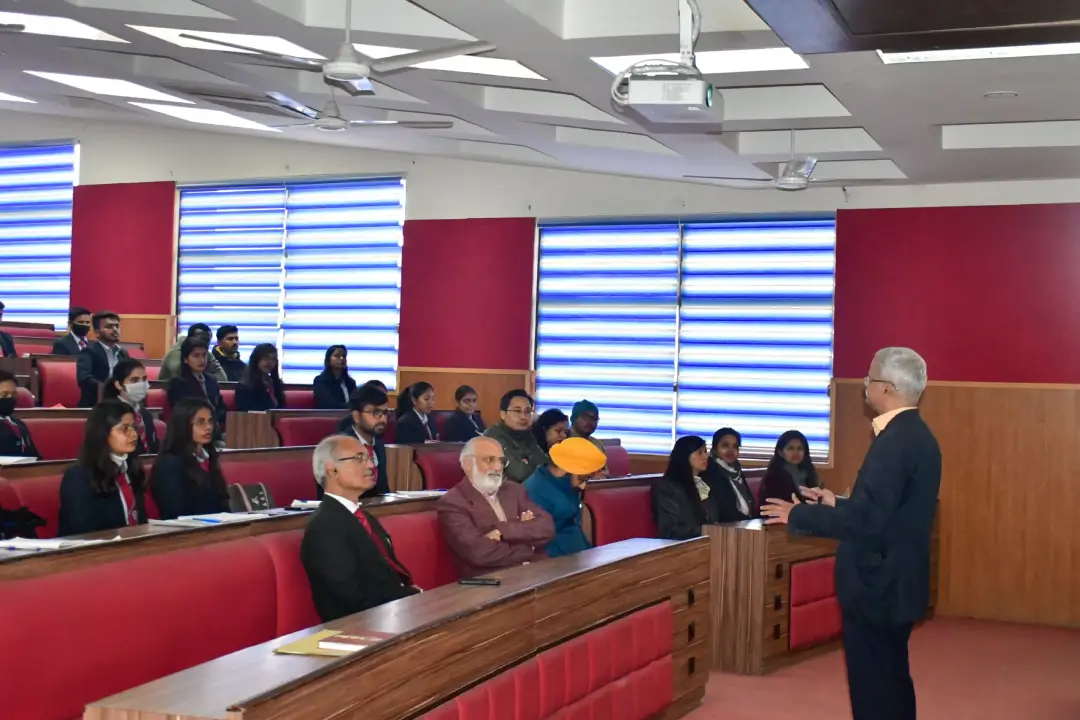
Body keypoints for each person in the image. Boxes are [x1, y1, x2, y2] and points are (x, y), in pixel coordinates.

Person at [760, 348, 941, 720]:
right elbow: (887, 512)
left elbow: (869, 521)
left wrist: (798, 514)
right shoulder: (918, 435)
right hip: (899, 581)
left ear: (888, 389)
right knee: (891, 679)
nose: (862, 384)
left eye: (869, 378)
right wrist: (836, 503)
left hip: (878, 584)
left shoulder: (893, 442)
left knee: (873, 689)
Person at [301, 435, 420, 622]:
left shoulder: (363, 516)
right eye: (359, 458)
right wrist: (409, 598)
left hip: (389, 614)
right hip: (356, 626)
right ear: (332, 470)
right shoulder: (324, 527)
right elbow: (353, 597)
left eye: (369, 458)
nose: (370, 466)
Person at [437, 436, 555, 578]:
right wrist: (530, 546)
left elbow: (547, 527)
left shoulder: (514, 490)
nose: (498, 467)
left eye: (501, 461)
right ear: (468, 464)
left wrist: (502, 531)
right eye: (489, 460)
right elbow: (480, 553)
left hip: (534, 574)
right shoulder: (453, 502)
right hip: (491, 583)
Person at [58, 400, 148, 535]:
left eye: (133, 427)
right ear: (102, 433)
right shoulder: (79, 476)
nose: (133, 434)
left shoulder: (130, 468)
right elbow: (82, 531)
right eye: (124, 429)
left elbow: (139, 520)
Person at [523, 437, 607, 558]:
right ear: (565, 469)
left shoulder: (566, 482)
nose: (583, 486)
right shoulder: (534, 491)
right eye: (582, 479)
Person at [151, 398, 229, 519]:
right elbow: (175, 512)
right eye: (200, 422)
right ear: (183, 425)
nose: (208, 427)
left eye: (210, 421)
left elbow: (222, 503)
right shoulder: (169, 464)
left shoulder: (209, 457)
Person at [652, 436, 718, 540]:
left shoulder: (704, 484)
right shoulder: (667, 488)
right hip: (682, 546)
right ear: (685, 456)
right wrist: (709, 531)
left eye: (706, 451)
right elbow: (670, 530)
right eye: (700, 452)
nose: (706, 456)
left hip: (707, 541)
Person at [337, 383, 391, 498]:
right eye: (375, 413)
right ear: (356, 416)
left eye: (385, 413)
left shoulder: (379, 445)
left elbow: (382, 490)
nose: (382, 418)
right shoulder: (342, 446)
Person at [484, 389, 548, 483]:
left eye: (528, 411)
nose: (523, 416)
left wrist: (526, 461)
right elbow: (519, 473)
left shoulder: (527, 435)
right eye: (517, 411)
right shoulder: (493, 438)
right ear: (503, 414)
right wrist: (531, 461)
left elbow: (546, 466)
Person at [166, 337, 225, 433]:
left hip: (214, 429)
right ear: (185, 359)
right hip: (190, 432)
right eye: (196, 356)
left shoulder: (211, 380)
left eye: (204, 355)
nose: (202, 360)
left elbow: (221, 408)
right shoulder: (178, 383)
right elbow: (184, 414)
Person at [102, 359, 159, 455]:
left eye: (144, 379)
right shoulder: (107, 414)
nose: (141, 384)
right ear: (119, 385)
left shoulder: (145, 414)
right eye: (135, 380)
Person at [76, 311, 129, 407]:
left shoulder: (123, 354)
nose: (115, 330)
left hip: (120, 403)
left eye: (117, 326)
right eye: (109, 327)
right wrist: (108, 388)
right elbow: (84, 379)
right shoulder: (89, 352)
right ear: (97, 333)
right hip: (94, 405)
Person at [759, 430, 820, 509]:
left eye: (800, 448)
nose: (796, 453)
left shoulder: (808, 472)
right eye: (790, 448)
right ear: (780, 452)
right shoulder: (774, 475)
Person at [710, 427, 758, 522]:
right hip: (724, 529)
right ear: (715, 449)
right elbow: (725, 512)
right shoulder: (711, 473)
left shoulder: (736, 471)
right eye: (725, 445)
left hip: (743, 525)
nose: (731, 450)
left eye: (735, 446)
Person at [159, 323, 227, 382]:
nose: (204, 343)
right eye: (201, 339)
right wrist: (208, 372)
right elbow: (184, 377)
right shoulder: (175, 353)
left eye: (207, 340)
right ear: (190, 339)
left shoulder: (206, 352)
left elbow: (223, 379)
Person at [0, 370, 39, 459]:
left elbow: (35, 457)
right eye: (4, 395)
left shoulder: (19, 425)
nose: (10, 398)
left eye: (13, 394)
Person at [235, 343, 285, 411]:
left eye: (273, 359)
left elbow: (282, 409)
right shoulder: (244, 386)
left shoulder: (275, 384)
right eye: (266, 358)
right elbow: (247, 413)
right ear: (256, 359)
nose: (269, 362)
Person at [570, 400, 608, 476]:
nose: (590, 422)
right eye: (586, 417)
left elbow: (605, 472)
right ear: (574, 418)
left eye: (595, 419)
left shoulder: (597, 445)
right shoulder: (561, 441)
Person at [313, 345, 357, 410]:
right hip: (329, 416)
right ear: (328, 359)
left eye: (344, 356)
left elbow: (356, 401)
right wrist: (350, 408)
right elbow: (328, 403)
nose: (342, 358)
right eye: (337, 356)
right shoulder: (320, 381)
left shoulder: (350, 382)